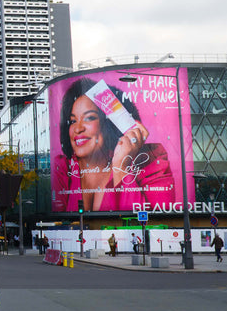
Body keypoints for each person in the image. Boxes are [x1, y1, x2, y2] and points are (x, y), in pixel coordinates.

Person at [52, 78, 175, 212]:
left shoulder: (150, 162)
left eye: (89, 118)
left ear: (110, 124)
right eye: (73, 121)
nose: (78, 129)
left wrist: (122, 168)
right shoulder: (63, 170)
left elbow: (155, 221)